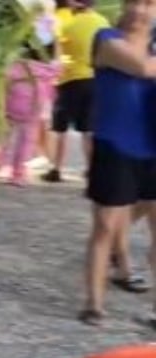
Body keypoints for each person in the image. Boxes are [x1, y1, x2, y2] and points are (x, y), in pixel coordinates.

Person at [77, 0, 156, 326]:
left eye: (149, 3)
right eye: (135, 1)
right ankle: (94, 304)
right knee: (105, 226)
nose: (140, 9)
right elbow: (143, 68)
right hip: (114, 145)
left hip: (153, 147)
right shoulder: (105, 38)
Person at [43, 0, 110, 183]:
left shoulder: (66, 22)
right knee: (88, 128)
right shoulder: (102, 22)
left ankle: (56, 169)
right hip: (94, 78)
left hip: (69, 79)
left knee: (60, 127)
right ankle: (92, 169)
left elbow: (55, 50)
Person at [0, 45, 61, 185]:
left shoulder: (15, 66)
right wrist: (57, 48)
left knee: (3, 139)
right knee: (26, 142)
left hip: (11, 106)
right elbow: (58, 67)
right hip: (33, 110)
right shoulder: (46, 70)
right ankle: (18, 175)